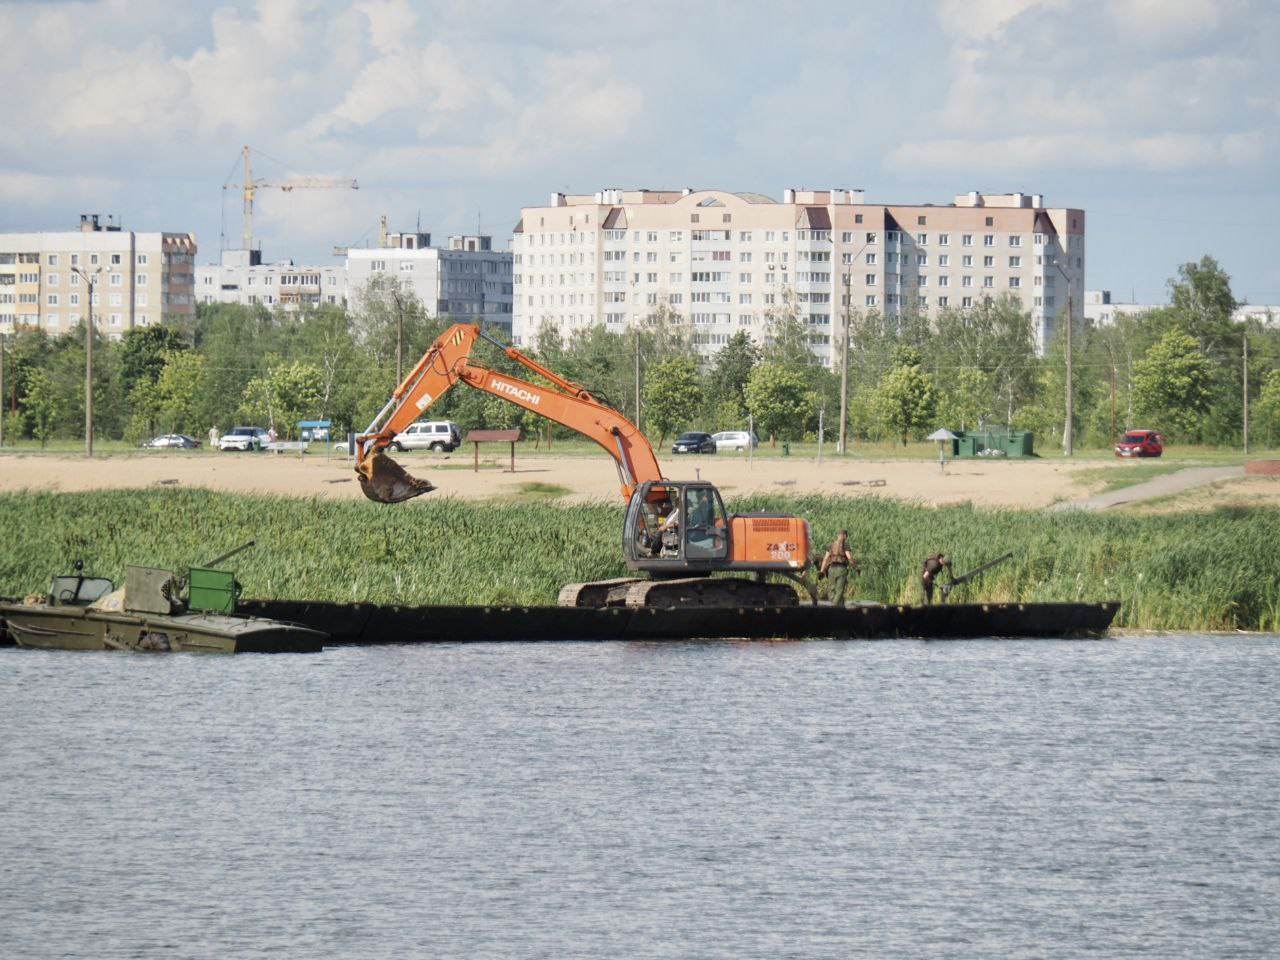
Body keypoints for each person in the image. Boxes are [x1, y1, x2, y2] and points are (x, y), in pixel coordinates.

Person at [819, 530, 858, 607]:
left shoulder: (830, 545)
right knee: (839, 590)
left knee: (831, 589)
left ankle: (839, 605)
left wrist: (822, 571)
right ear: (845, 536)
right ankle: (835, 606)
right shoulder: (845, 545)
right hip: (841, 569)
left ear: (838, 535)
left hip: (831, 569)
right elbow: (849, 558)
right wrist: (856, 568)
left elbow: (825, 559)